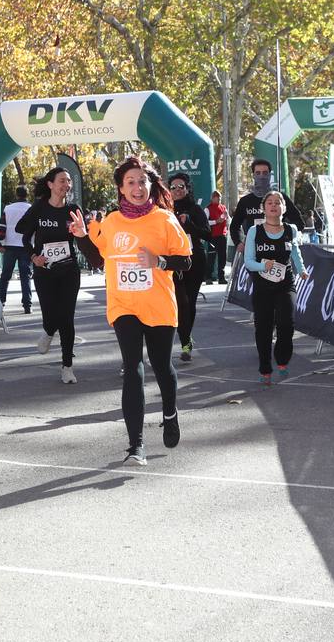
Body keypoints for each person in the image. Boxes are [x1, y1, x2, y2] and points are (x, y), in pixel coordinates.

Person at [71, 156, 191, 466]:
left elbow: (186, 261)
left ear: (151, 185)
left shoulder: (165, 220)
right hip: (123, 305)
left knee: (162, 366)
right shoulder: (111, 222)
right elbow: (100, 259)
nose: (137, 187)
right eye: (131, 183)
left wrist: (159, 262)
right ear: (121, 189)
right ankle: (135, 445)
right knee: (132, 366)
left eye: (142, 181)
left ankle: (170, 412)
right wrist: (82, 236)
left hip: (159, 305)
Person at [16, 167, 84, 384]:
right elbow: (24, 237)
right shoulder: (39, 208)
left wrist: (81, 232)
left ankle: (67, 366)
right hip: (44, 271)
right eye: (62, 181)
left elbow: (82, 238)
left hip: (69, 270)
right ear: (51, 185)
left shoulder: (73, 209)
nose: (66, 185)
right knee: (50, 315)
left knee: (67, 317)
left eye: (68, 182)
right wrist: (34, 256)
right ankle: (47, 330)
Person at [243, 190, 308, 385]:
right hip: (262, 286)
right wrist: (264, 266)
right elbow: (248, 262)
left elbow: (294, 251)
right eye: (269, 202)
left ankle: (282, 359)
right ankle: (265, 367)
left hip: (285, 284)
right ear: (264, 208)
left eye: (277, 202)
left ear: (283, 208)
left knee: (286, 323)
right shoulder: (255, 231)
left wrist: (302, 270)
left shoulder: (291, 230)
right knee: (263, 328)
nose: (273, 205)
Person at [167, 172, 210, 361]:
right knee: (179, 302)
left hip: (195, 261)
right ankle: (185, 339)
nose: (177, 190)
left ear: (187, 188)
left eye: (181, 187)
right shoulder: (164, 209)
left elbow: (208, 235)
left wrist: (190, 224)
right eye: (173, 187)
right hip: (173, 261)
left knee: (189, 303)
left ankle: (186, 342)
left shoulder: (195, 209)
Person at [229, 158, 304, 251]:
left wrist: (284, 233)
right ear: (253, 176)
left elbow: (299, 223)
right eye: (258, 173)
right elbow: (234, 226)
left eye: (265, 173)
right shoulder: (245, 201)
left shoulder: (281, 198)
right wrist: (238, 242)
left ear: (269, 175)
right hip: (253, 251)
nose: (261, 176)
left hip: (278, 251)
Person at [0, 185, 33, 314]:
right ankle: (27, 305)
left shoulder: (8, 208)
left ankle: (0, 303)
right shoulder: (31, 208)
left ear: (16, 194)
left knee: (5, 276)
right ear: (27, 195)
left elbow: (2, 226)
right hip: (26, 246)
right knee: (25, 276)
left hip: (9, 246)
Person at [205, 189, 229, 283]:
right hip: (213, 236)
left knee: (222, 257)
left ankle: (221, 278)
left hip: (223, 235)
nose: (218, 199)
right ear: (212, 198)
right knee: (211, 257)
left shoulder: (223, 207)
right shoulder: (208, 208)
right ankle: (208, 277)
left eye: (219, 198)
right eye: (216, 198)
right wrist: (216, 221)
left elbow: (228, 220)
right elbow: (204, 222)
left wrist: (227, 220)